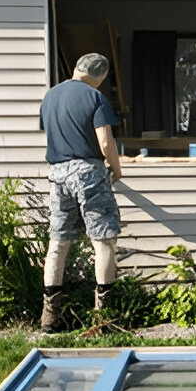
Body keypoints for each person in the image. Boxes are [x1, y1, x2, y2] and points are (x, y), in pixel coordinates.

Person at [38, 52, 123, 331]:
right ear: (101, 77)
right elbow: (104, 141)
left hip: (58, 174)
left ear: (76, 68)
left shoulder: (50, 97)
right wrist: (117, 169)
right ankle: (104, 319)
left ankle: (50, 317)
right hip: (88, 173)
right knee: (103, 241)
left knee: (58, 243)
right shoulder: (95, 98)